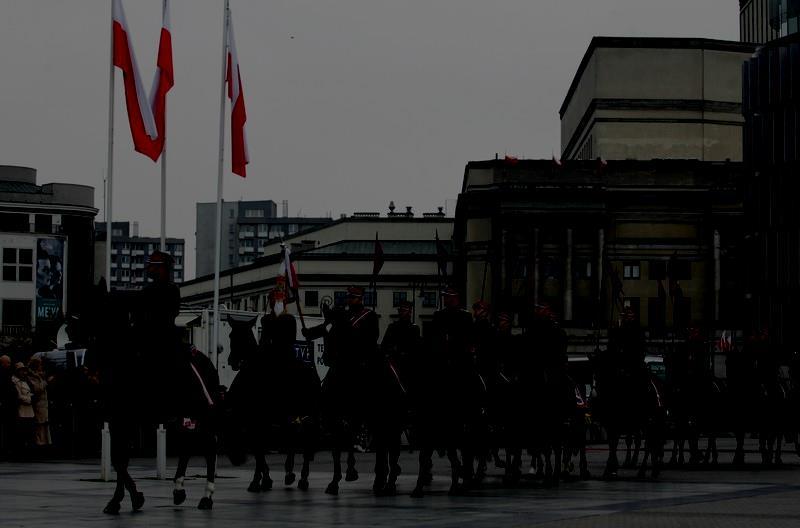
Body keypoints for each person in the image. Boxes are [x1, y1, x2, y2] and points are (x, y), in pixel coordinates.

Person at [172, 345, 220, 510]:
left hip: (203, 408)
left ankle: (206, 489)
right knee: (186, 445)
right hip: (190, 407)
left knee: (206, 447)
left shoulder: (196, 360)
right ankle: (181, 482)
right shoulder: (187, 359)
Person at [26, 357, 51, 447]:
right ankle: (39, 443)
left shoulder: (40, 375)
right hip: (38, 404)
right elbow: (37, 388)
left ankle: (44, 443)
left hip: (43, 404)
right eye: (40, 365)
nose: (41, 366)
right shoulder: (31, 376)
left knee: (44, 424)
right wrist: (46, 382)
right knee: (39, 425)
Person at [11, 363, 35, 457]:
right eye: (21, 370)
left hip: (30, 411)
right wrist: (29, 399)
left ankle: (27, 452)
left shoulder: (26, 381)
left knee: (29, 433)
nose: (23, 372)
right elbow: (19, 396)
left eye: (24, 370)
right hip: (22, 411)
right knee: (21, 433)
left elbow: (31, 392)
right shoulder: (15, 381)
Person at [0, 355, 17, 458]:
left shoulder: (7, 374)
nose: (9, 364)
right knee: (6, 429)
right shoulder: (4, 374)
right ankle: (5, 450)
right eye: (8, 362)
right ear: (3, 363)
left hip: (8, 405)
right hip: (6, 405)